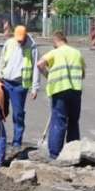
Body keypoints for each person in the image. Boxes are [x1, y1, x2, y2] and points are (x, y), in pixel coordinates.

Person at [36, 31, 86, 159]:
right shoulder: (76, 53)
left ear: (55, 42)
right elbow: (83, 73)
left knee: (58, 122)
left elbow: (39, 64)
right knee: (73, 122)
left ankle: (55, 155)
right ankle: (73, 153)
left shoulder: (54, 52)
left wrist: (47, 75)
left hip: (59, 90)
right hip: (75, 90)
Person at [0, 25, 40, 149]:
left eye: (21, 40)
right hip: (5, 82)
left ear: (26, 36)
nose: (19, 42)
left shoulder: (32, 47)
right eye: (18, 40)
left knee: (18, 114)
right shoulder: (9, 43)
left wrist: (35, 87)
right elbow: (2, 61)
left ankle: (17, 142)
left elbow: (36, 68)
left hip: (20, 85)